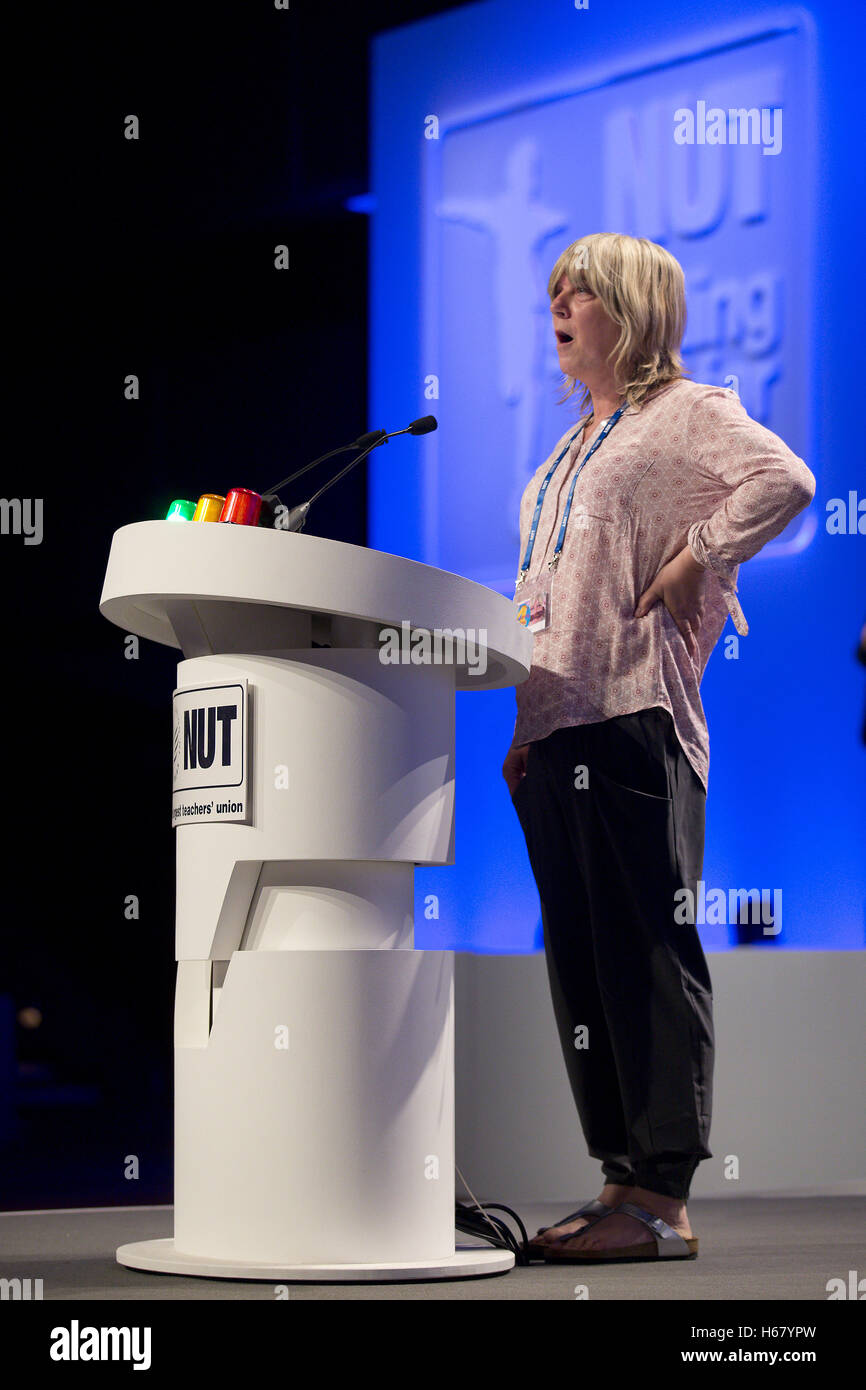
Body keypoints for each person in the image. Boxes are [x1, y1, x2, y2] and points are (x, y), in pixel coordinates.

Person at [504, 232, 815, 1263]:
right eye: (553, 290)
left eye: (579, 290)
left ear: (630, 308)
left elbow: (784, 479)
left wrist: (699, 553)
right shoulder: (562, 449)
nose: (558, 305)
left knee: (644, 954)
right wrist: (520, 725)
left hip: (637, 720)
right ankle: (617, 1181)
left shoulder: (686, 413)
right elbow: (540, 601)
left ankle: (661, 1200)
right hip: (555, 730)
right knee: (580, 965)